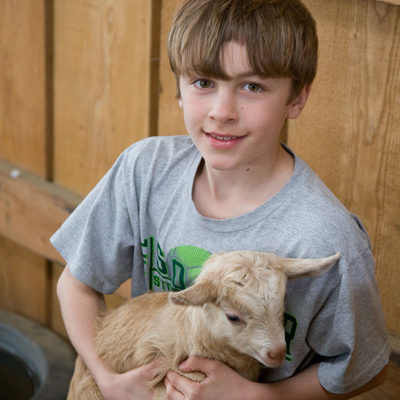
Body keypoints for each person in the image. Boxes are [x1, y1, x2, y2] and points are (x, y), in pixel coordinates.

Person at [52, 0, 390, 399]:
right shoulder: (145, 171)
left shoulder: (326, 239)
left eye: (252, 86)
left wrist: (258, 396)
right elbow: (76, 284)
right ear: (177, 87)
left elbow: (365, 370)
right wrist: (109, 383)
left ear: (296, 98)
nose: (222, 112)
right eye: (203, 82)